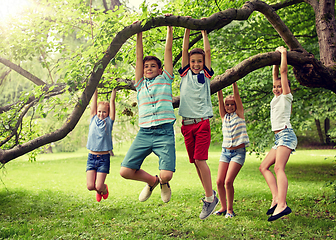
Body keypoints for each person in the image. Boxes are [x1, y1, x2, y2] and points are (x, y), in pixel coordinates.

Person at [119, 23, 176, 203]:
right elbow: (138, 57)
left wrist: (169, 29)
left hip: (164, 132)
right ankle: (152, 181)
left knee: (167, 174)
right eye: (146, 66)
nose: (148, 68)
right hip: (144, 133)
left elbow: (168, 50)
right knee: (125, 171)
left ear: (160, 70)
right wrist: (139, 33)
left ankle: (163, 182)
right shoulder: (140, 84)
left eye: (153, 66)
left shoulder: (165, 79)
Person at [178, 26, 218, 220]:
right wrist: (187, 30)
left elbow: (207, 51)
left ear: (203, 63)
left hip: (202, 123)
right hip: (186, 124)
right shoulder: (185, 74)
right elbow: (185, 51)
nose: (196, 64)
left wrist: (203, 32)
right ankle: (210, 194)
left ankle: (210, 199)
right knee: (195, 161)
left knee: (201, 160)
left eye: (199, 61)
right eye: (193, 61)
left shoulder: (206, 75)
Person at [259, 46, 297, 222]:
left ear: (285, 87)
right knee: (264, 167)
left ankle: (282, 204)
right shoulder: (275, 97)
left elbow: (282, 72)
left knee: (278, 168)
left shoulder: (286, 97)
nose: (276, 88)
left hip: (286, 135)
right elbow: (276, 74)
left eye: (279, 86)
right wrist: (274, 61)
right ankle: (276, 198)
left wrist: (283, 54)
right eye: (274, 87)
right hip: (278, 138)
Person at [214, 82, 249, 218]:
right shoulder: (224, 117)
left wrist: (234, 81)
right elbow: (219, 99)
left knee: (228, 181)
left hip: (238, 154)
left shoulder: (239, 114)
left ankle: (230, 210)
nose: (229, 106)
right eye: (227, 104)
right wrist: (219, 85)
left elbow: (237, 96)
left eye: (232, 104)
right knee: (219, 181)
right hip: (225, 152)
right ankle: (222, 207)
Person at [86, 88, 116, 202]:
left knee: (98, 186)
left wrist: (113, 92)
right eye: (99, 111)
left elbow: (112, 102)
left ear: (108, 113)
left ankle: (103, 189)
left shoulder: (109, 121)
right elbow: (94, 101)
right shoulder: (93, 118)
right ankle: (99, 190)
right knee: (90, 186)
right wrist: (95, 90)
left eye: (104, 112)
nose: (101, 114)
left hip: (104, 158)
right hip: (91, 158)